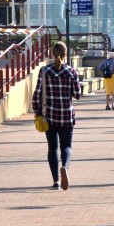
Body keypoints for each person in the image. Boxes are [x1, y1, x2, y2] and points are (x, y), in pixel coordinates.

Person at [32, 41, 82, 190]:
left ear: (52, 54)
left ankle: (56, 182)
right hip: (67, 114)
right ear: (65, 55)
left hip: (49, 115)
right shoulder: (71, 71)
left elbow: (38, 93)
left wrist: (36, 110)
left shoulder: (44, 71)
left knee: (52, 148)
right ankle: (65, 167)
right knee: (66, 147)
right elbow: (77, 95)